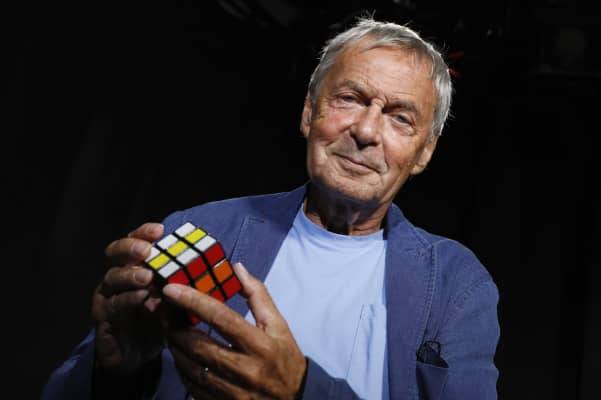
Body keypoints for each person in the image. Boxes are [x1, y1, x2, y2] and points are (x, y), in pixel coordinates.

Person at [41, 16, 500, 400]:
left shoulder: (456, 285)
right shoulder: (200, 228)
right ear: (309, 112)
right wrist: (117, 374)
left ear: (423, 153)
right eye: (349, 99)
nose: (365, 131)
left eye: (400, 117)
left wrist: (301, 390)